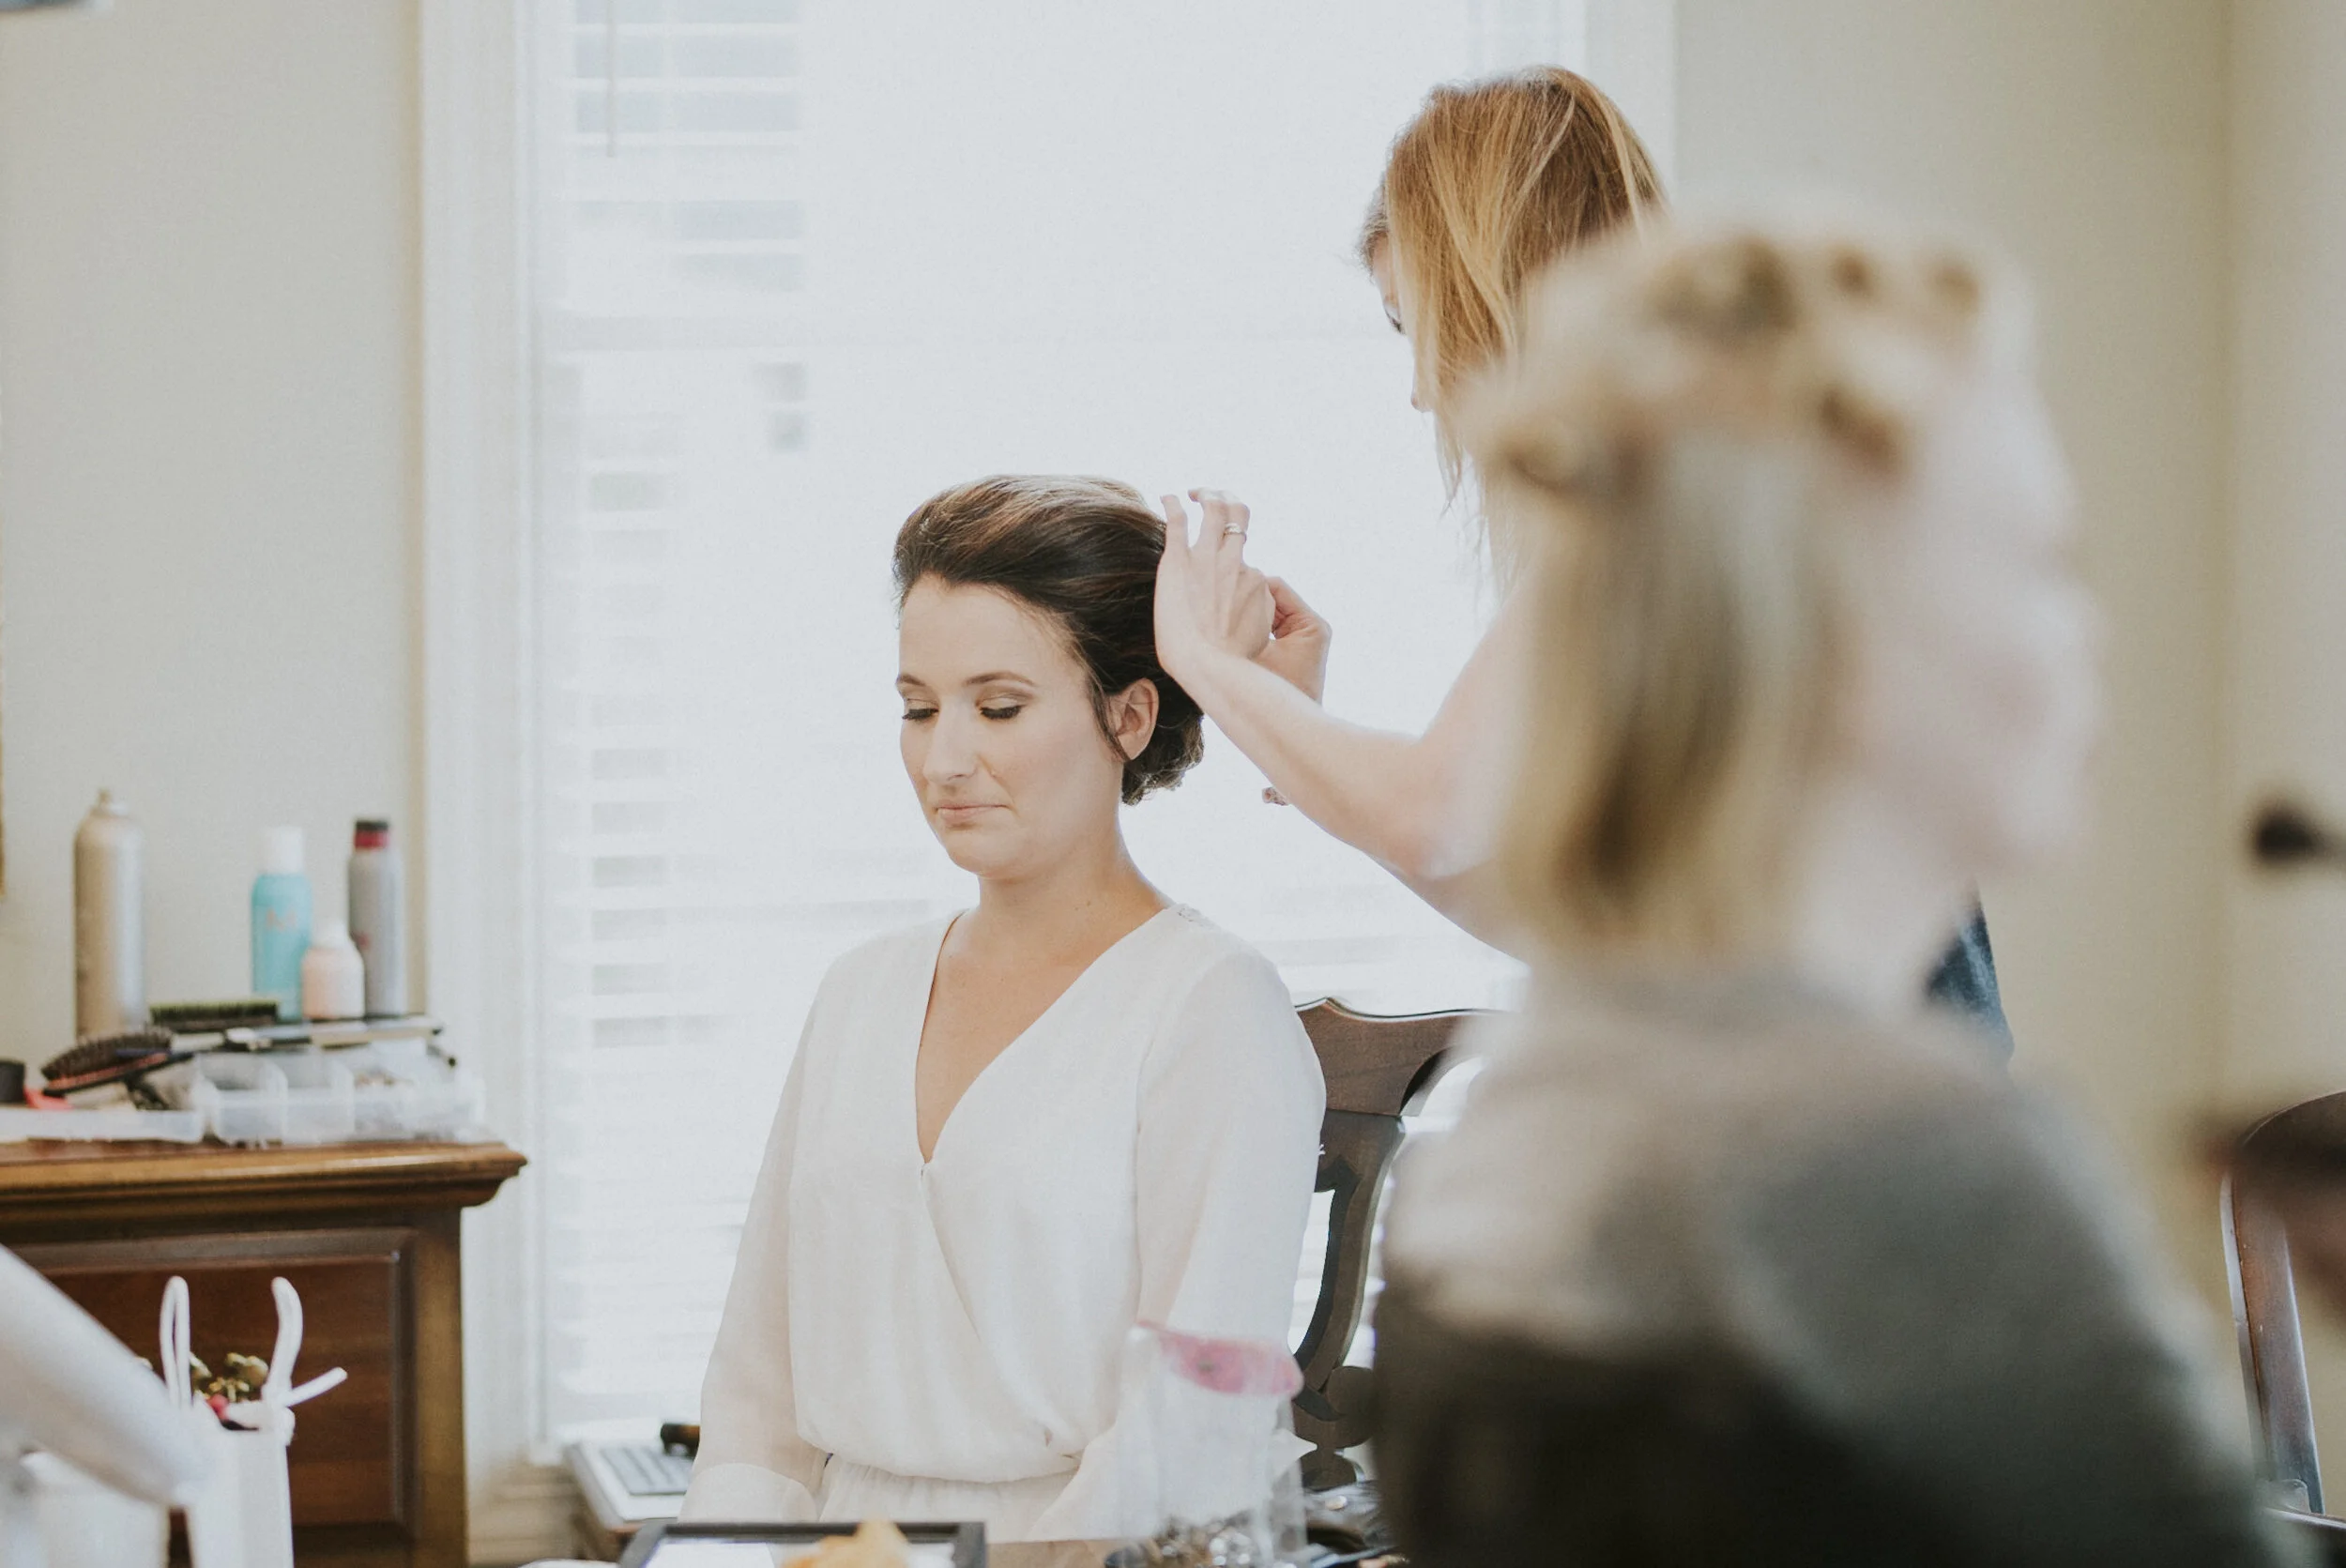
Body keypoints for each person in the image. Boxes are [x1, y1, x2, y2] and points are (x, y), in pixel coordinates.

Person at [1369, 217, 2297, 1565]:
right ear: (1839, 629)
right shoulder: (1901, 1161)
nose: (2083, 629)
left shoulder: (1530, 1106)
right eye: (2033, 559)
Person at [1150, 68, 2010, 1046]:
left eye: (1413, 323)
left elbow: (1428, 812)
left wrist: (1207, 664)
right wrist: (1302, 739)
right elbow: (1591, 931)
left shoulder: (1677, 489)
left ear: (1488, 282)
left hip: (1859, 1127)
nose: (1423, 393)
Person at [681, 476, 1324, 1541]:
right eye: (917, 708)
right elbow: (756, 1402)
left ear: (1129, 715)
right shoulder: (859, 992)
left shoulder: (1207, 1010)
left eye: (1000, 707)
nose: (944, 759)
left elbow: (1189, 1436)